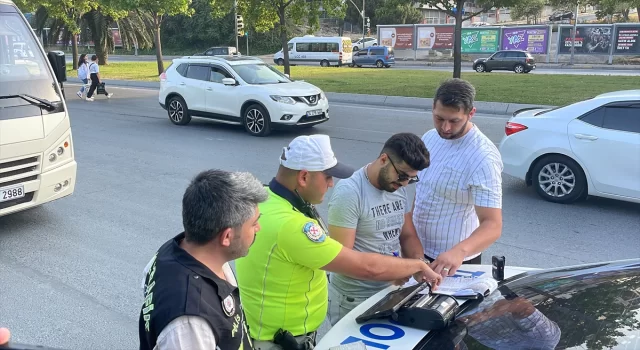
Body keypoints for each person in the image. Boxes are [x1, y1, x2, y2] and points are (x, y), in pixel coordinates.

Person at [236, 134, 441, 350]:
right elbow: (362, 266)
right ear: (304, 177)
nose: (332, 184)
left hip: (274, 332)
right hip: (278, 339)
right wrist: (417, 265)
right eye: (327, 177)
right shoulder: (292, 224)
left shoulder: (270, 200)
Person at [138, 169, 268, 350]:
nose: (258, 228)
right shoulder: (190, 325)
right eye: (254, 223)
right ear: (227, 237)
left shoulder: (177, 249)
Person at [326, 132, 431, 326]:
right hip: (354, 299)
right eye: (402, 176)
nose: (404, 184)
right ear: (384, 159)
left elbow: (407, 236)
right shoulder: (350, 192)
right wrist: (398, 270)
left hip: (390, 290)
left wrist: (418, 264)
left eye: (411, 179)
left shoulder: (396, 188)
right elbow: (344, 261)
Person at [413, 78, 503, 278]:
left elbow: (492, 225)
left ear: (471, 113)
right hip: (416, 252)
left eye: (454, 121)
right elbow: (421, 189)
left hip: (456, 262)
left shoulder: (483, 157)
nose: (445, 128)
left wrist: (458, 252)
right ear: (433, 107)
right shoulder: (429, 138)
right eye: (439, 118)